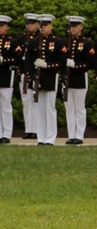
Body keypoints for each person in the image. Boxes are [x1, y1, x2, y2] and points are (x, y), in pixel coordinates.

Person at [32, 15, 65, 146]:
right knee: (39, 109)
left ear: (51, 26)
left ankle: (50, 138)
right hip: (38, 78)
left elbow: (61, 61)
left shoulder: (57, 41)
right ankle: (41, 137)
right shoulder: (35, 41)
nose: (43, 28)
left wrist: (48, 65)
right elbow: (28, 59)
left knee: (50, 108)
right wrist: (30, 74)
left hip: (51, 77)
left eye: (46, 25)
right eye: (42, 25)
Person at [62, 15, 94, 145]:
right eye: (71, 26)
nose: (73, 29)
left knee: (79, 109)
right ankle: (71, 134)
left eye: (75, 26)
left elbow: (90, 63)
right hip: (67, 80)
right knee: (69, 108)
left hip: (80, 79)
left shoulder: (86, 43)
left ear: (81, 27)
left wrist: (76, 65)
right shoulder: (64, 43)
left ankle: (79, 135)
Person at [19, 13, 40, 139]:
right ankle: (29, 128)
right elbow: (19, 59)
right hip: (25, 74)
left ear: (37, 25)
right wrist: (21, 72)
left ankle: (37, 129)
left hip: (36, 73)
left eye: (32, 23)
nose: (30, 26)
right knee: (26, 103)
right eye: (28, 23)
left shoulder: (40, 38)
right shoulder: (21, 39)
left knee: (36, 102)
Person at [0, 16, 20, 143]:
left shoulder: (12, 41)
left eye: (2, 25)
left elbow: (18, 58)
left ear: (7, 27)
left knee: (6, 106)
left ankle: (6, 134)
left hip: (6, 76)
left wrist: (4, 60)